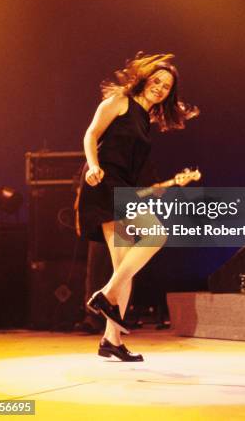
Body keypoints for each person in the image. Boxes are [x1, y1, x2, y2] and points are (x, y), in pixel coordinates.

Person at [76, 52, 198, 361]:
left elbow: (139, 179)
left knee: (124, 268)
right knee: (155, 235)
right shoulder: (120, 101)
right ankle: (104, 295)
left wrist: (172, 184)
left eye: (167, 86)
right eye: (157, 80)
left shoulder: (147, 120)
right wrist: (92, 166)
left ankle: (110, 340)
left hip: (124, 188)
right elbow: (91, 134)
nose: (160, 87)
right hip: (103, 182)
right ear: (144, 78)